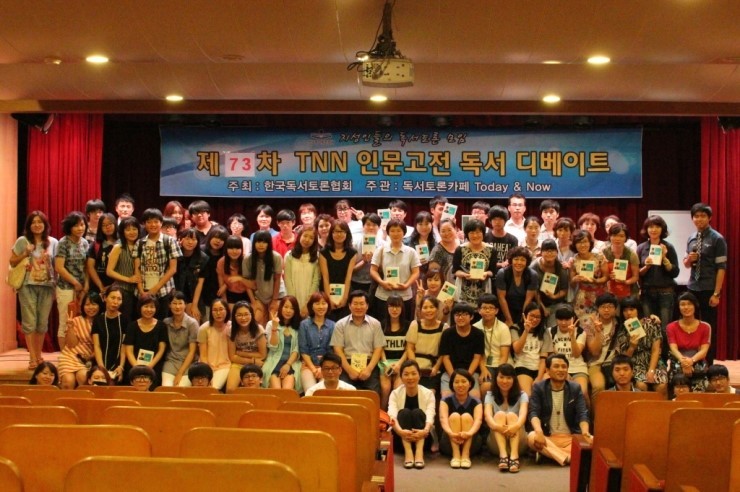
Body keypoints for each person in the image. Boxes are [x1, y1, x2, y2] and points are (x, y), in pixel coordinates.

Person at [10, 211, 58, 369]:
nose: (37, 225)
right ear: (29, 225)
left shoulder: (53, 242)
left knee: (42, 322)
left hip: (47, 286)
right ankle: (32, 357)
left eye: (40, 222)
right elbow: (12, 261)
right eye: (33, 222)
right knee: (29, 321)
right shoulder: (22, 241)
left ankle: (39, 355)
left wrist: (56, 287)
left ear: (45, 224)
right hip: (27, 285)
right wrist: (25, 253)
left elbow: (57, 266)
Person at [527, 354, 592, 466]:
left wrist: (585, 432)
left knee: (592, 440)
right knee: (531, 437)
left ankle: (552, 454)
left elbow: (583, 413)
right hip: (548, 437)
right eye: (556, 366)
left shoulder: (575, 388)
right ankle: (569, 457)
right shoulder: (539, 388)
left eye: (564, 366)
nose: (561, 369)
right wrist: (539, 431)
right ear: (547, 370)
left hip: (570, 438)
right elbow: (533, 413)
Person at [683, 203, 726, 363]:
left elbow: (721, 268)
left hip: (709, 289)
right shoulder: (691, 238)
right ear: (692, 218)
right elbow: (686, 264)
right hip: (692, 287)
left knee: (708, 326)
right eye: (696, 216)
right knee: (690, 325)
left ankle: (709, 362)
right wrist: (689, 259)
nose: (699, 219)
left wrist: (716, 293)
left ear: (709, 218)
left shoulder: (717, 239)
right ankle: (693, 360)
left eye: (703, 216)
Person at [330, 290, 385, 395]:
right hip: (346, 364)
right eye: (355, 304)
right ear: (349, 306)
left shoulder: (375, 324)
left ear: (367, 306)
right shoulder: (340, 324)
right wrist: (349, 370)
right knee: (344, 394)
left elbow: (378, 349)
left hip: (369, 363)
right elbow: (337, 350)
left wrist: (369, 369)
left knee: (372, 395)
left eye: (362, 304)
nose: (358, 307)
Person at [133, 208, 183, 320]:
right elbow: (137, 269)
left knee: (161, 323)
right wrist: (141, 291)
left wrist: (155, 289)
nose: (153, 225)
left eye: (156, 221)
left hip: (164, 292)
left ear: (161, 223)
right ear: (144, 224)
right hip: (143, 291)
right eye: (149, 222)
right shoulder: (139, 243)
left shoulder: (169, 241)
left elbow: (173, 269)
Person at [636, 215, 679, 339]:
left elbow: (675, 272)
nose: (653, 230)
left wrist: (664, 258)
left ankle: (664, 352)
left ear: (662, 229)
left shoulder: (668, 247)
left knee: (665, 329)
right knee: (648, 327)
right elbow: (637, 273)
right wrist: (646, 267)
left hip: (666, 293)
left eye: (657, 227)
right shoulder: (641, 248)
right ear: (646, 229)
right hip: (647, 294)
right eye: (650, 227)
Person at [370, 219, 421, 323]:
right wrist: (382, 282)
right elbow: (373, 270)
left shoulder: (411, 252)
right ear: (388, 232)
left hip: (404, 296)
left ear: (404, 232)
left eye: (399, 231)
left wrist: (406, 285)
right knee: (383, 325)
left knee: (404, 325)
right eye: (392, 231)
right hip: (384, 296)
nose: (395, 234)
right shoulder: (380, 250)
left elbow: (416, 272)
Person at [388, 360, 436, 469]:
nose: (410, 377)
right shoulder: (395, 394)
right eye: (406, 374)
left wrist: (424, 431)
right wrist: (400, 431)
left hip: (424, 438)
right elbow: (392, 416)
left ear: (419, 375)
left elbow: (430, 415)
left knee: (417, 412)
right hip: (401, 438)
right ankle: (408, 453)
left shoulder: (428, 393)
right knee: (404, 412)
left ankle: (419, 453)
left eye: (414, 373)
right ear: (401, 377)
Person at [615, 296, 667, 395]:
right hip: (635, 363)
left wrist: (651, 370)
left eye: (632, 309)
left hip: (654, 361)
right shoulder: (622, 330)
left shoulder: (651, 323)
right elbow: (623, 359)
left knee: (662, 385)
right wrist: (632, 347)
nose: (628, 313)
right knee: (641, 385)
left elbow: (656, 349)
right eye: (625, 310)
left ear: (638, 310)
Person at [484, 363, 529, 473]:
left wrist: (515, 427)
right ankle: (503, 456)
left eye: (509, 378)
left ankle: (514, 457)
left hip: (518, 441)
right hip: (497, 443)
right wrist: (498, 427)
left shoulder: (522, 395)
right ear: (496, 378)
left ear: (514, 379)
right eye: (501, 377)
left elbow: (523, 415)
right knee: (499, 415)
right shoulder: (490, 395)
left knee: (511, 415)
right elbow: (487, 416)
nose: (504, 381)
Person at [54, 211, 90, 350]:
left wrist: (85, 285)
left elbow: (87, 267)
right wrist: (75, 283)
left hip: (82, 289)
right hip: (66, 288)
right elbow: (59, 267)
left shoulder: (85, 243)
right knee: (66, 322)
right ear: (69, 227)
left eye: (82, 225)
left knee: (80, 322)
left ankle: (76, 354)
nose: (80, 228)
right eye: (76, 225)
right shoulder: (63, 243)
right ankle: (64, 355)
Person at [57, 291, 103, 388]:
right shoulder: (76, 320)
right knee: (68, 381)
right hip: (70, 356)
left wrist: (90, 357)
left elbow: (101, 345)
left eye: (94, 304)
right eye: (87, 305)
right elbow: (71, 344)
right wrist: (70, 327)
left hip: (88, 359)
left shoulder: (103, 321)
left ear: (100, 305)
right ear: (83, 306)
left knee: (83, 377)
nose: (90, 307)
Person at [666, 292, 711, 392]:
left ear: (695, 306)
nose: (686, 307)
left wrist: (691, 361)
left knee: (701, 388)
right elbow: (673, 348)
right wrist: (683, 362)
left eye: (689, 304)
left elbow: (704, 351)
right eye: (682, 304)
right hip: (678, 362)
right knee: (678, 382)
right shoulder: (671, 327)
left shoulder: (705, 326)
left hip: (698, 362)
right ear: (678, 307)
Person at [439, 369, 483, 469]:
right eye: (456, 382)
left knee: (466, 416)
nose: (460, 385)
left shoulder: (476, 402)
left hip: (471, 442)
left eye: (463, 381)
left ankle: (465, 456)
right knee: (454, 416)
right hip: (449, 442)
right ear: (452, 384)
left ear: (470, 384)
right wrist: (451, 433)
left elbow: (478, 421)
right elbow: (443, 419)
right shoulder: (445, 400)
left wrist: (469, 433)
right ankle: (456, 455)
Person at [438, 302, 484, 400]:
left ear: (471, 317)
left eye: (464, 314)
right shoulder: (447, 333)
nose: (460, 317)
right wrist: (454, 377)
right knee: (447, 398)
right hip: (450, 373)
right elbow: (445, 358)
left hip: (471, 373)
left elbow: (476, 358)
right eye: (457, 315)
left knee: (475, 398)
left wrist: (467, 377)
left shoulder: (478, 334)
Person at [123, 294, 167, 386]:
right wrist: (137, 368)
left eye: (152, 307)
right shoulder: (132, 326)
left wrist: (149, 367)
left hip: (154, 366)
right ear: (140, 307)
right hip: (134, 367)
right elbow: (129, 351)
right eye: (146, 306)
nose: (149, 309)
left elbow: (161, 349)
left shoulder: (161, 326)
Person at [549, 305, 589, 406]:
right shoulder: (550, 332)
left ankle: (587, 415)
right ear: (556, 319)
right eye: (560, 319)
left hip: (578, 368)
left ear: (573, 319)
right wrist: (564, 372)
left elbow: (576, 354)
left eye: (567, 319)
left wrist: (572, 336)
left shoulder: (580, 332)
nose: (563, 323)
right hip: (558, 367)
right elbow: (551, 356)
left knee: (582, 392)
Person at [243, 230, 285, 326]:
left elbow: (277, 279)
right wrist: (253, 301)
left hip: (277, 294)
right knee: (258, 318)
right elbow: (247, 282)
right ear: (254, 243)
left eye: (264, 242)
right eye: (258, 241)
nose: (261, 245)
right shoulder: (248, 259)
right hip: (258, 296)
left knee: (274, 321)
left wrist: (274, 300)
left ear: (269, 244)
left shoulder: (276, 257)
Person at [509, 303, 552, 396]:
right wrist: (526, 330)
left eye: (538, 317)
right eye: (532, 315)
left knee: (545, 393)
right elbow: (517, 350)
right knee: (527, 395)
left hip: (540, 369)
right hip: (522, 367)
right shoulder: (515, 328)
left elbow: (543, 358)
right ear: (525, 315)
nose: (535, 319)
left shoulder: (544, 332)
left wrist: (539, 378)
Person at [405, 295, 447, 390]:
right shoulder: (415, 325)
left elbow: (443, 353)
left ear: (437, 309)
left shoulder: (444, 327)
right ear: (420, 310)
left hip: (432, 369)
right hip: (414, 367)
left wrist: (436, 367)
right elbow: (409, 349)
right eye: (425, 307)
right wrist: (415, 368)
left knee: (430, 394)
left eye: (432, 307)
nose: (429, 310)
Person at [262, 296, 302, 391]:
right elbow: (273, 347)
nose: (288, 311)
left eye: (292, 308)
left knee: (287, 390)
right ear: (281, 308)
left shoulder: (299, 326)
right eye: (286, 307)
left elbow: (297, 349)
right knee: (276, 390)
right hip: (274, 361)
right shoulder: (271, 324)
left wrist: (288, 364)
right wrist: (274, 328)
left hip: (292, 362)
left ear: (295, 311)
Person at [319, 220, 357, 321]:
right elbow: (325, 278)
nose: (339, 234)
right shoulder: (323, 252)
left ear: (347, 234)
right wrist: (328, 299)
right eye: (336, 231)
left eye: (342, 231)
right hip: (326, 292)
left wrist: (345, 298)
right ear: (331, 234)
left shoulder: (352, 253)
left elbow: (348, 277)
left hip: (345, 292)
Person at [473, 294, 511, 396]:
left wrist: (498, 374)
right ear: (479, 310)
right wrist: (483, 369)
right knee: (485, 386)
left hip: (499, 365)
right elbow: (476, 354)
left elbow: (504, 356)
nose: (488, 311)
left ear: (496, 311)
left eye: (491, 308)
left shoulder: (503, 328)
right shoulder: (474, 328)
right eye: (484, 308)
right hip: (481, 364)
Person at [225, 301, 267, 392]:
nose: (243, 318)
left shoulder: (258, 329)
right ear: (234, 316)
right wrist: (252, 360)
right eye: (239, 315)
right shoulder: (231, 330)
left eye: (246, 314)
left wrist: (240, 353)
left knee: (259, 388)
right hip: (241, 363)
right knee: (230, 389)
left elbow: (262, 355)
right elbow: (232, 357)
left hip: (257, 364)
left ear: (251, 315)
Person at [452, 219, 495, 306]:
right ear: (467, 234)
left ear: (483, 233)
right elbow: (455, 271)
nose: (475, 235)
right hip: (463, 293)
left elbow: (493, 271)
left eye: (478, 232)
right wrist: (464, 275)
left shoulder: (491, 250)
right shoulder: (460, 249)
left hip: (484, 291)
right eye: (471, 233)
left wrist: (486, 273)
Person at [585, 293, 621, 398]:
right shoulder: (589, 324)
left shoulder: (619, 323)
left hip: (614, 363)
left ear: (615, 309)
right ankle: (597, 409)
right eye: (603, 307)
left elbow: (637, 318)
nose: (606, 310)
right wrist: (598, 332)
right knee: (598, 386)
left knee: (623, 384)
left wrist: (652, 317)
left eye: (610, 307)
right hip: (595, 363)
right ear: (598, 308)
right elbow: (594, 352)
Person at [298, 291, 335, 391]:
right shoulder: (304, 325)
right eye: (317, 303)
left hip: (327, 366)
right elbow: (303, 350)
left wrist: (323, 367)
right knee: (310, 391)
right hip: (308, 366)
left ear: (328, 305)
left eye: (324, 303)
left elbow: (331, 351)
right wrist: (314, 369)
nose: (321, 306)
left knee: (324, 391)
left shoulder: (333, 325)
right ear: (312, 306)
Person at [106, 216, 141, 320]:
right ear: (122, 232)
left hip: (137, 291)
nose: (132, 232)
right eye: (128, 229)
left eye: (134, 229)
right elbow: (109, 271)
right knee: (124, 320)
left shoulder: (141, 246)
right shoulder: (118, 247)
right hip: (122, 291)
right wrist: (128, 279)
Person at [161, 291, 199, 387]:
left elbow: (192, 352)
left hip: (188, 363)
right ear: (169, 305)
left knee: (180, 388)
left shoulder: (192, 323)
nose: (177, 307)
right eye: (174, 303)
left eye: (180, 303)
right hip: (171, 362)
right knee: (166, 388)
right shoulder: (166, 322)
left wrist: (180, 373)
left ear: (185, 305)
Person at [379, 294, 410, 410]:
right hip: (385, 362)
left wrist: (399, 364)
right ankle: (382, 414)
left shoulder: (408, 325)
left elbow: (408, 349)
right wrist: (386, 364)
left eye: (398, 306)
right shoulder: (381, 325)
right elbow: (379, 348)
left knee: (398, 388)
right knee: (385, 388)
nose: (394, 310)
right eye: (391, 306)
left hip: (401, 363)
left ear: (402, 308)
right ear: (387, 308)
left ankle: (396, 415)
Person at [570, 229, 608, 319]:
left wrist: (595, 281)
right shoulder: (574, 260)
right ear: (574, 244)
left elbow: (606, 277)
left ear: (590, 243)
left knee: (599, 322)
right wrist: (575, 279)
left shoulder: (599, 257)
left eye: (585, 241)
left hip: (600, 295)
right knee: (584, 323)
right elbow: (572, 282)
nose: (582, 245)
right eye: (579, 242)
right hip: (582, 297)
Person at [495, 246, 538, 327]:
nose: (519, 262)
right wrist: (509, 320)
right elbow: (501, 298)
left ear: (527, 262)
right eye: (516, 259)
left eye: (523, 260)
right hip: (505, 309)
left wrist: (522, 318)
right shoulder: (502, 273)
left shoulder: (532, 275)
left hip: (523, 308)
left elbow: (528, 299)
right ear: (511, 260)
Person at [92, 286, 127, 383]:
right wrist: (101, 367)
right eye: (113, 298)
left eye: (119, 299)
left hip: (119, 364)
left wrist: (121, 366)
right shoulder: (98, 320)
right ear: (105, 298)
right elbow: (97, 346)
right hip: (100, 362)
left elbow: (124, 346)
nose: (115, 302)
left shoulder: (125, 320)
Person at [284, 226, 320, 318]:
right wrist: (293, 303)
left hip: (310, 298)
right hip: (293, 297)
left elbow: (316, 281)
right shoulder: (289, 256)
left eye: (311, 238)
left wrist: (308, 304)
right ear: (300, 236)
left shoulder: (317, 257)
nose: (307, 240)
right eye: (305, 236)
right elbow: (287, 280)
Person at [531, 239, 569, 326]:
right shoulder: (533, 267)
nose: (549, 253)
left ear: (557, 252)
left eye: (552, 251)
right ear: (541, 252)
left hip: (556, 303)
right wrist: (542, 308)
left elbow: (564, 290)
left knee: (554, 326)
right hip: (537, 303)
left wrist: (555, 296)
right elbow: (533, 291)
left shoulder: (561, 267)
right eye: (546, 251)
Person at [173, 228, 208, 323]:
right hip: (175, 295)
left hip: (193, 296)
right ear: (181, 239)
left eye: (194, 239)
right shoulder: (174, 255)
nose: (190, 242)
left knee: (195, 318)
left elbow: (200, 283)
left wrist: (194, 305)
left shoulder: (203, 258)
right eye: (187, 238)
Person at [197, 299, 232, 390]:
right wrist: (208, 373)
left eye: (221, 309)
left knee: (213, 388)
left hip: (224, 365)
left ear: (226, 310)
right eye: (215, 310)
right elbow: (203, 356)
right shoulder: (204, 328)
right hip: (206, 365)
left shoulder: (231, 327)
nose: (218, 313)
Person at [601, 222, 640, 300]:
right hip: (610, 292)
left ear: (626, 238)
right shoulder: (604, 253)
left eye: (621, 236)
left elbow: (636, 277)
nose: (617, 239)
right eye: (614, 235)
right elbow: (603, 276)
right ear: (610, 236)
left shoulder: (632, 254)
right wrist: (609, 276)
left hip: (630, 293)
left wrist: (625, 282)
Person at [86, 212, 117, 294]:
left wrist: (112, 286)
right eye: (104, 225)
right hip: (97, 286)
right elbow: (90, 267)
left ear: (115, 224)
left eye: (110, 224)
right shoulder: (96, 244)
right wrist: (101, 286)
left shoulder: (121, 243)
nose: (107, 227)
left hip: (117, 287)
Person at [351, 213, 382, 294]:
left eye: (374, 225)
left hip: (376, 283)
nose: (371, 227)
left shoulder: (384, 245)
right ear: (363, 226)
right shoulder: (354, 245)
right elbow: (349, 270)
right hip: (356, 282)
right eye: (368, 224)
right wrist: (364, 262)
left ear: (379, 227)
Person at [484, 205, 519, 276]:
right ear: (490, 221)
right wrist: (499, 264)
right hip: (487, 273)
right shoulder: (484, 238)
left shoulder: (513, 239)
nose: (497, 222)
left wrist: (506, 262)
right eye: (494, 219)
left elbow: (514, 258)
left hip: (506, 274)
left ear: (505, 220)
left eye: (500, 219)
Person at [216, 235, 250, 309]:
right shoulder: (221, 262)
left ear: (241, 249)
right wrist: (225, 306)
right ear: (226, 249)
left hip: (247, 294)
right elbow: (221, 289)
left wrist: (240, 278)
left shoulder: (246, 260)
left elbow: (252, 285)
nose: (234, 251)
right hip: (231, 295)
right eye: (231, 248)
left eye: (237, 248)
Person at [403, 211, 436, 278]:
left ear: (431, 224)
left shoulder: (435, 243)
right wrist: (415, 262)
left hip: (429, 280)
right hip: (410, 278)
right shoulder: (406, 242)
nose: (424, 227)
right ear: (416, 225)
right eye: (420, 224)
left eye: (427, 224)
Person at [427, 218, 459, 282]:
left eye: (449, 230)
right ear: (439, 233)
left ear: (455, 229)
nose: (447, 233)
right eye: (443, 231)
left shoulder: (462, 244)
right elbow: (433, 275)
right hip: (447, 287)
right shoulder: (437, 251)